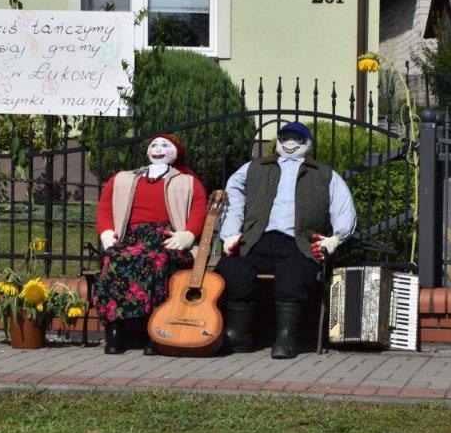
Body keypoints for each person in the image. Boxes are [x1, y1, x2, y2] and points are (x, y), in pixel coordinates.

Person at [215, 121, 357, 359]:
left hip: (299, 244)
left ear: (307, 143)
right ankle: (238, 335)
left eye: (297, 139)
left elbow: (343, 206)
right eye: (285, 138)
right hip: (256, 240)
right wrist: (230, 233)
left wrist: (335, 238)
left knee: (292, 275)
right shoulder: (254, 168)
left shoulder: (324, 173)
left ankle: (285, 338)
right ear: (278, 141)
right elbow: (233, 195)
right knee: (234, 269)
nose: (290, 143)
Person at [93, 134, 207, 355]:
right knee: (113, 258)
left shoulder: (187, 181)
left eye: (165, 145)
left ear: (176, 152)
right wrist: (106, 231)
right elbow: (105, 206)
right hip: (130, 237)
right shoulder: (122, 179)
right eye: (154, 144)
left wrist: (189, 234)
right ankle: (114, 329)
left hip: (167, 237)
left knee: (156, 260)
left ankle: (154, 330)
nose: (158, 148)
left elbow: (199, 207)